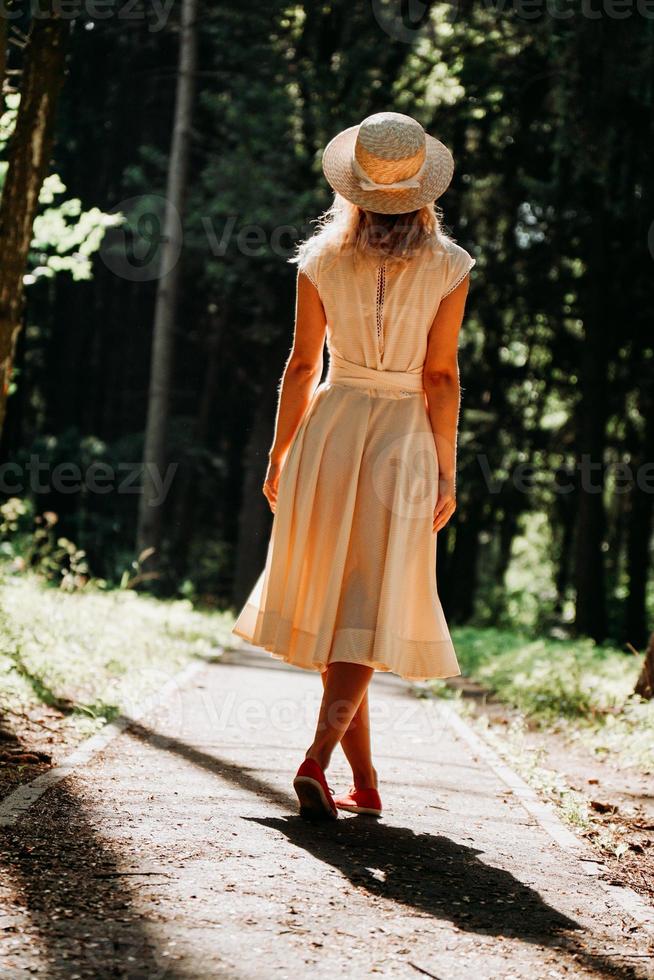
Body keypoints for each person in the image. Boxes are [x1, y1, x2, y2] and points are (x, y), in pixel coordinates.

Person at [231, 111, 475, 821]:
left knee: (343, 608)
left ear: (354, 187)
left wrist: (280, 450)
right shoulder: (449, 265)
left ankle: (363, 782)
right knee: (364, 606)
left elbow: (303, 364)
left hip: (330, 432)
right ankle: (317, 758)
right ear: (422, 190)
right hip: (402, 437)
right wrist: (447, 467)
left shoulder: (320, 260)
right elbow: (441, 379)